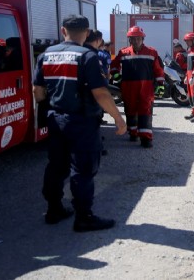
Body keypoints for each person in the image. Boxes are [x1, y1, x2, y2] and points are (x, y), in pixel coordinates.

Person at [33, 14, 127, 232]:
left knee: (56, 165)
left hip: (56, 119)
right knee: (83, 169)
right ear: (86, 32)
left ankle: (54, 209)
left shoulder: (46, 55)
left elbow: (38, 92)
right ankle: (83, 216)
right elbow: (101, 93)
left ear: (62, 30)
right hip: (82, 121)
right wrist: (118, 118)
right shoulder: (87, 56)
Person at [109, 26, 165, 148]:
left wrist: (160, 85)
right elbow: (113, 65)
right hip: (128, 88)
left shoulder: (152, 52)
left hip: (146, 88)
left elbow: (158, 70)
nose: (135, 41)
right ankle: (133, 133)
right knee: (130, 110)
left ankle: (146, 138)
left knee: (145, 111)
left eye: (137, 39)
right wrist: (116, 74)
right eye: (132, 39)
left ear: (142, 39)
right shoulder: (123, 52)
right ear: (129, 40)